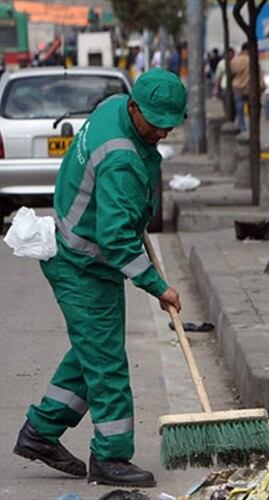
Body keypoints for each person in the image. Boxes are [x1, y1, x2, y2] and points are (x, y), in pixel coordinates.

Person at [13, 69, 186, 487]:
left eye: (169, 123)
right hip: (83, 262)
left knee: (93, 350)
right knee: (107, 364)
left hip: (81, 253)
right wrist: (158, 286)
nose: (162, 130)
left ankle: (40, 431)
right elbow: (116, 240)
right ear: (134, 107)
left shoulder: (112, 110)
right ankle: (110, 458)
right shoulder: (122, 159)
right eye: (156, 122)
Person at [230, 43, 265, 132]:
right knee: (252, 111)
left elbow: (231, 73)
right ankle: (252, 129)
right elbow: (259, 75)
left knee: (239, 110)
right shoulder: (252, 60)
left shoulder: (235, 60)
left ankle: (242, 128)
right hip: (250, 88)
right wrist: (262, 86)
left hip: (237, 88)